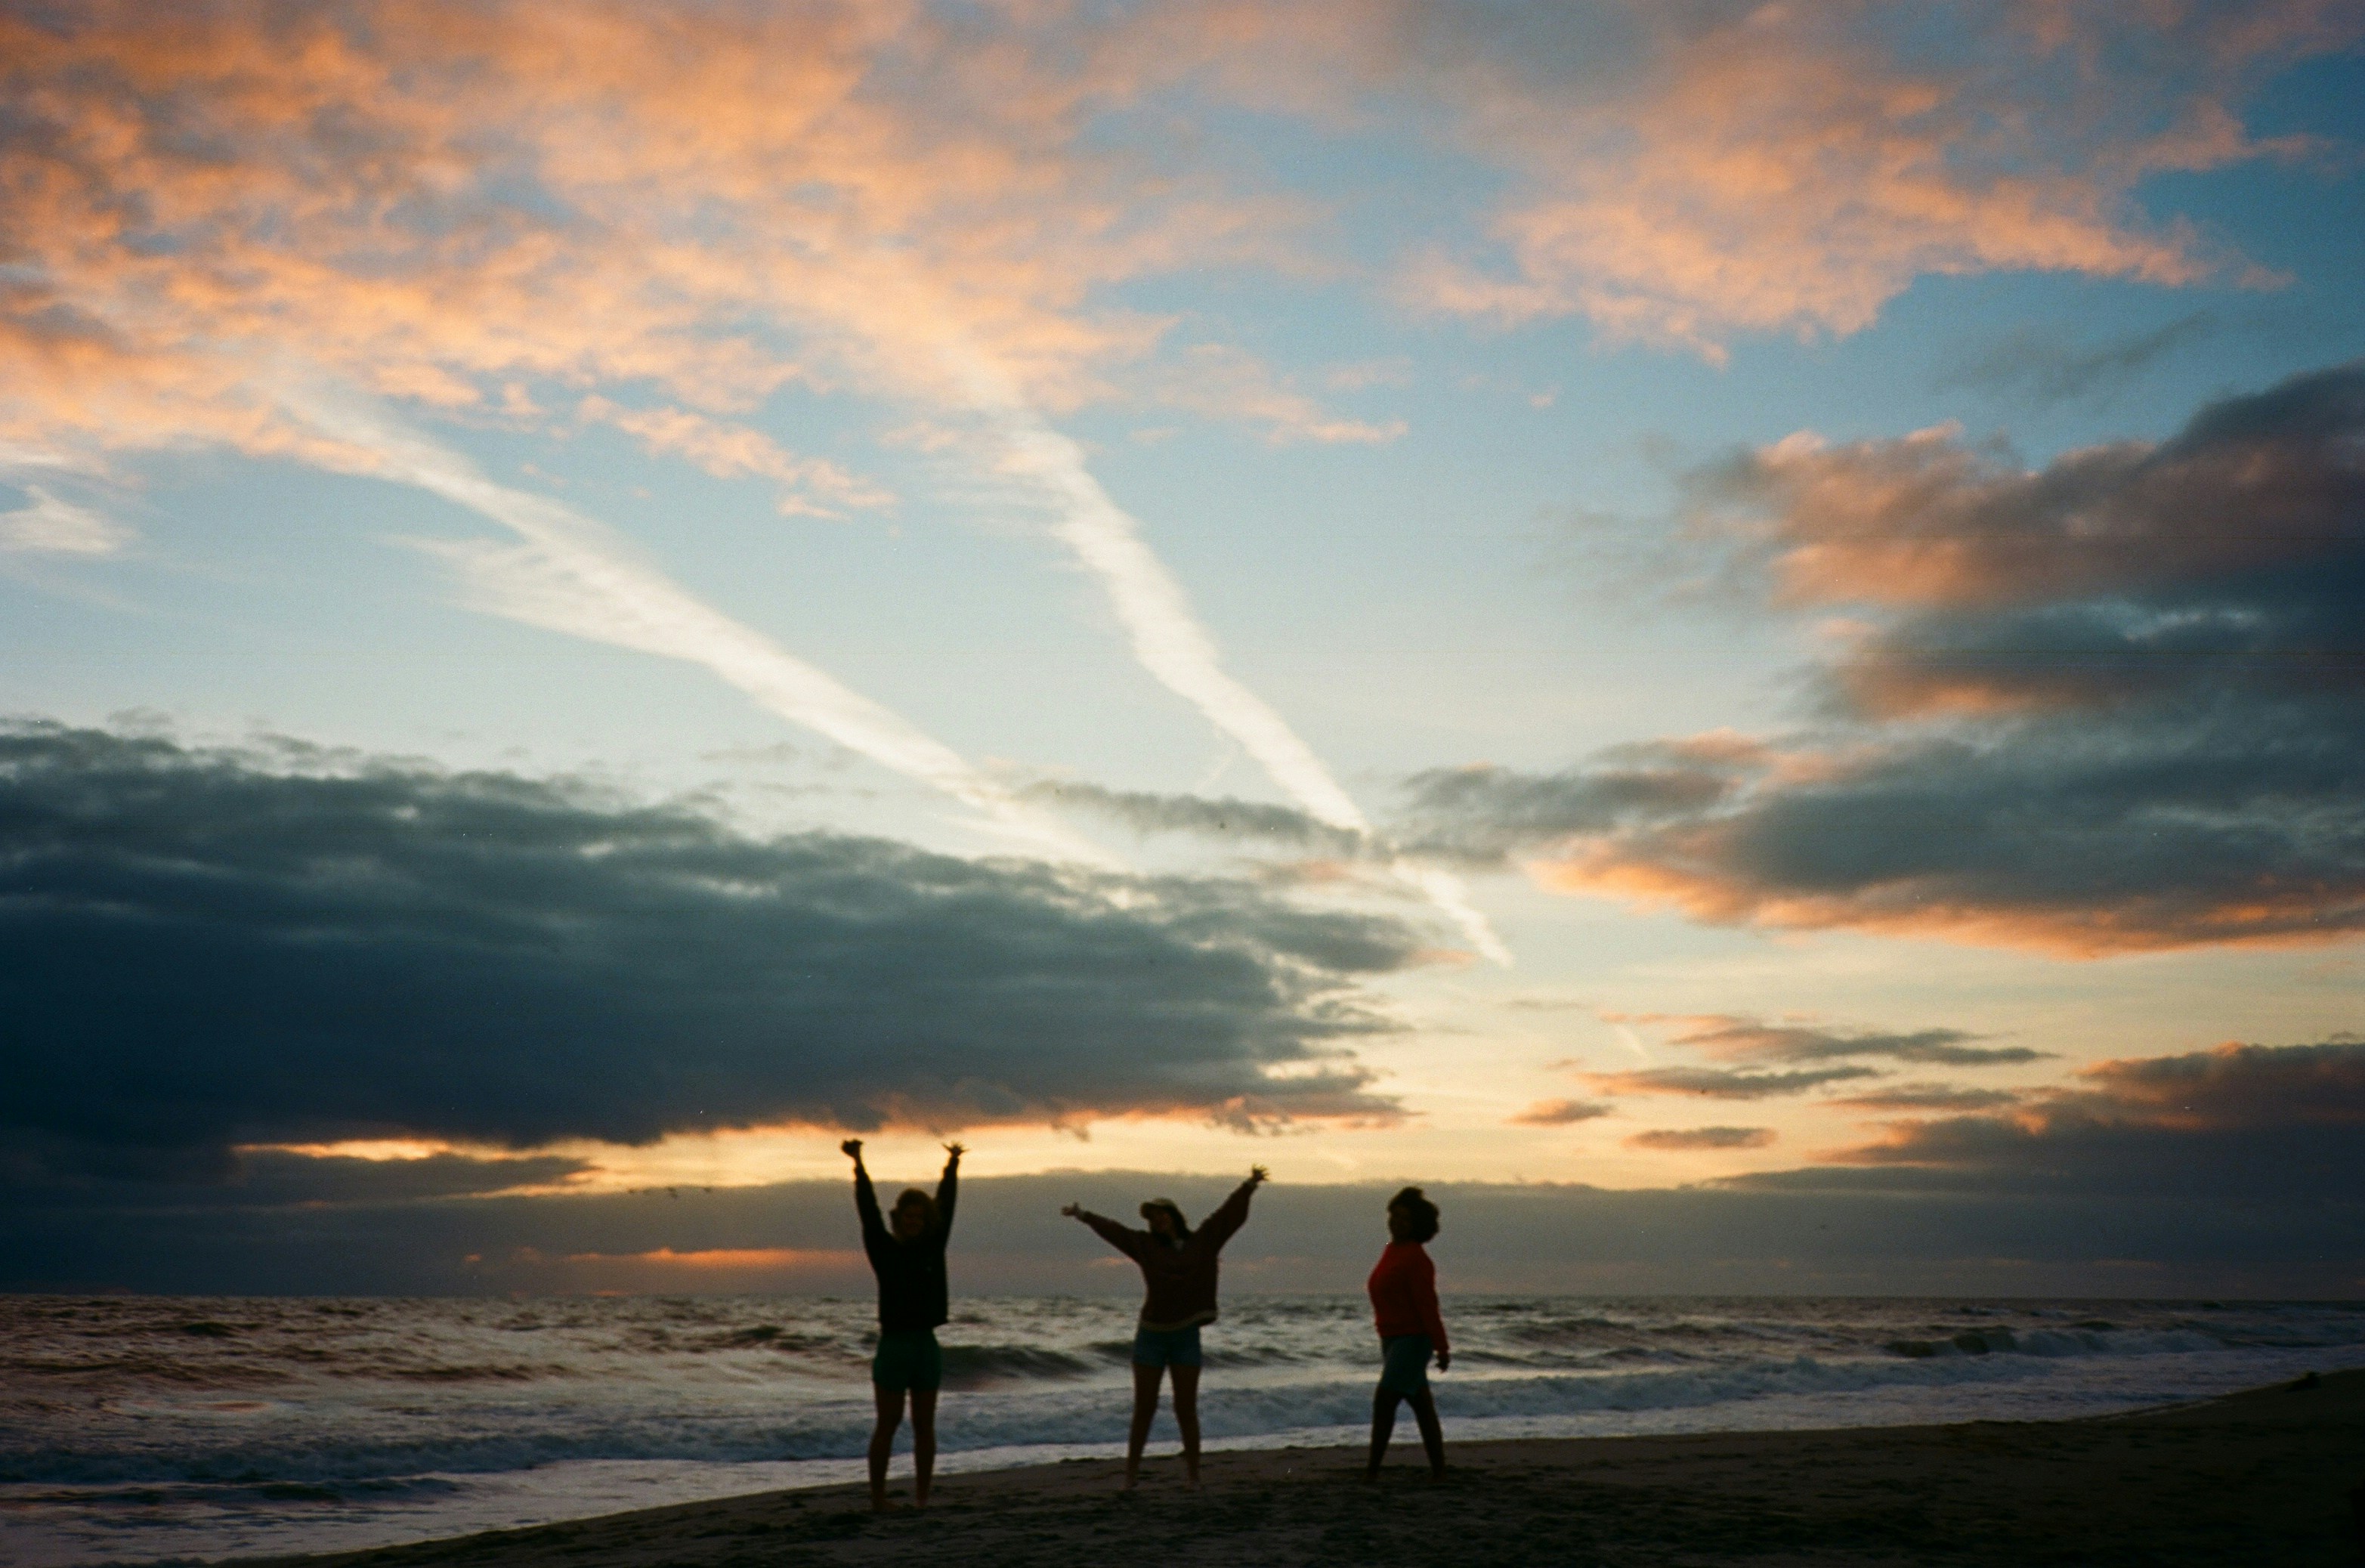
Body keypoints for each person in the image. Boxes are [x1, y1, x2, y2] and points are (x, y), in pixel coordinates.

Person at [1061, 1167, 1269, 1489]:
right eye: (1152, 1217)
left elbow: (1226, 1216)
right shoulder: (1145, 1246)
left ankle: (1194, 1476)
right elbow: (1116, 1232)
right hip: (1151, 1336)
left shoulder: (1202, 1242)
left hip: (1186, 1336)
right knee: (1144, 1408)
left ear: (1173, 1216)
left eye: (1162, 1214)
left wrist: (1249, 1186)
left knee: (1185, 1408)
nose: (1157, 1221)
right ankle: (1130, 1477)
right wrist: (1083, 1215)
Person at [843, 1137, 960, 1512]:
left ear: (926, 1222)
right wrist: (859, 1166)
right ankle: (878, 1499)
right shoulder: (883, 1249)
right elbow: (868, 1211)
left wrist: (952, 1167)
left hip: (925, 1346)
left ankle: (923, 1498)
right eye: (908, 1216)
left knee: (925, 1426)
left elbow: (946, 1204)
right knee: (888, 1424)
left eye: (920, 1217)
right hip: (894, 1346)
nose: (914, 1221)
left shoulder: (933, 1247)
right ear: (899, 1219)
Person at [1365, 1185, 1448, 1480]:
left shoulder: (1417, 1258)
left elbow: (1428, 1305)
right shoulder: (1391, 1251)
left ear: (1417, 1226)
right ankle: (1440, 1470)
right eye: (1394, 1217)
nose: (1397, 1223)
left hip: (1412, 1340)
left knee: (1385, 1401)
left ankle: (1372, 1470)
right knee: (1422, 1405)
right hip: (1391, 1339)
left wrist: (1441, 1347)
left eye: (1405, 1219)